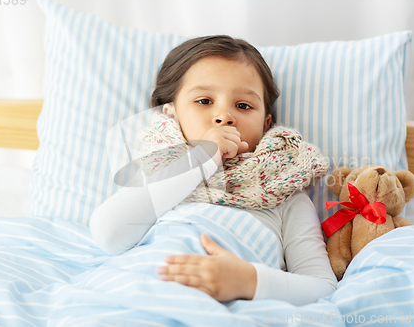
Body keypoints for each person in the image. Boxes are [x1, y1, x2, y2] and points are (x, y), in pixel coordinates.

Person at [90, 35, 337, 306]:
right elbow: (108, 234)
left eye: (243, 106)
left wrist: (251, 281)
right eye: (204, 101)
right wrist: (203, 158)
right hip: (139, 294)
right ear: (170, 114)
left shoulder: (283, 192)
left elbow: (323, 288)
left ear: (266, 125)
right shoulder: (160, 172)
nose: (224, 116)